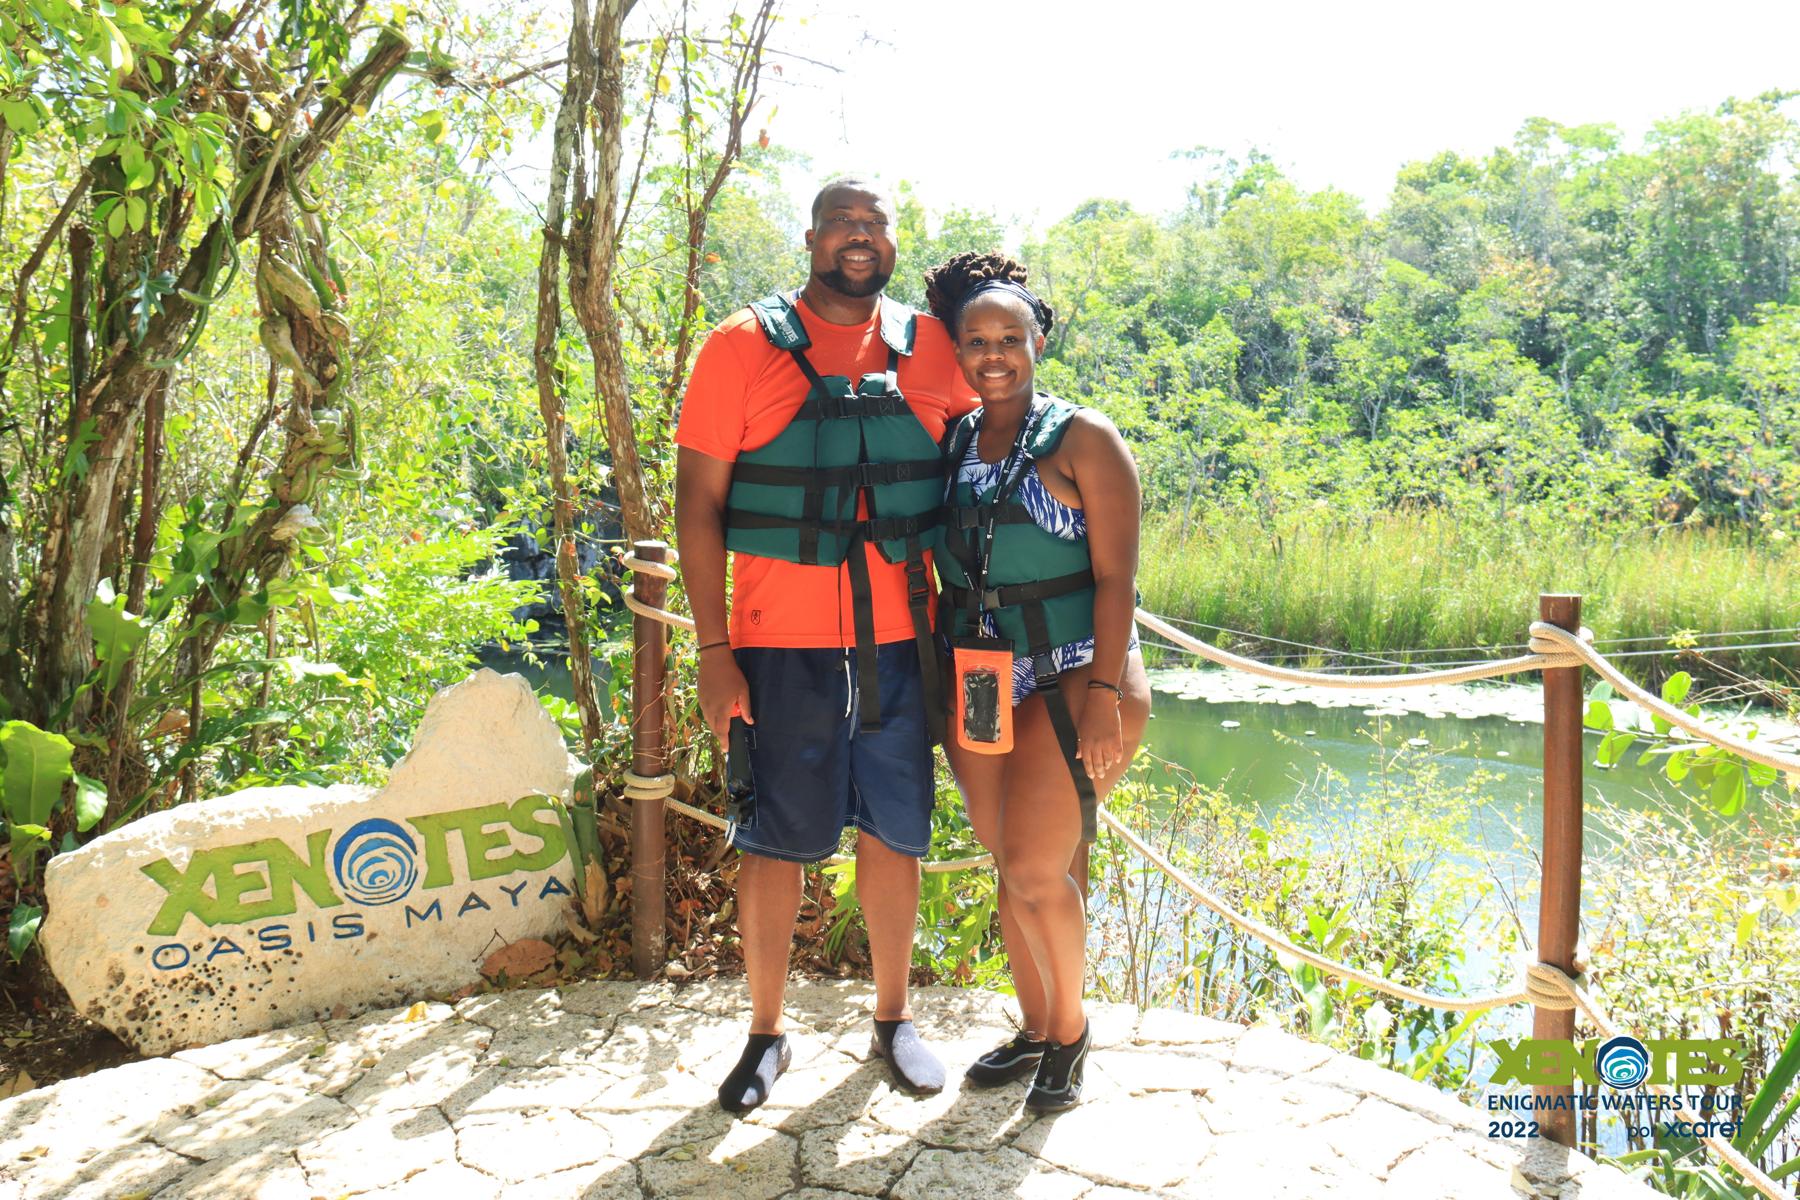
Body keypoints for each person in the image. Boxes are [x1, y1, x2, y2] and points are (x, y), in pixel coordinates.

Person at [674, 177, 977, 1113]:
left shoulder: (935, 347)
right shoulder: (739, 346)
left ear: (892, 242)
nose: (860, 236)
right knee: (773, 841)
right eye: (843, 222)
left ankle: (894, 1019)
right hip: (775, 646)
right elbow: (698, 503)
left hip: (899, 643)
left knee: (895, 832)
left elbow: (995, 453)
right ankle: (766, 1034)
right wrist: (713, 648)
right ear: (810, 238)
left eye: (876, 223)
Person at [923, 251, 1151, 1111]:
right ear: (957, 347)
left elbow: (1117, 579)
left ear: (1037, 341)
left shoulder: (1082, 437)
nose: (993, 354)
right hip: (982, 679)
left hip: (1074, 678)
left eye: (1009, 338)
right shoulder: (952, 441)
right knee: (1004, 859)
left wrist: (1101, 698)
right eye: (976, 339)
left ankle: (1071, 1031)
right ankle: (1033, 1025)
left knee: (1032, 866)